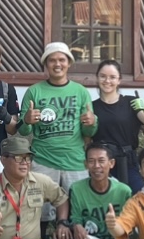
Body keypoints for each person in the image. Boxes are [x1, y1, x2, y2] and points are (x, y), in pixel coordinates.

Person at [17, 41, 98, 192]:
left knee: (75, 211)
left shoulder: (81, 92)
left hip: (75, 163)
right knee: (43, 213)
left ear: (69, 63)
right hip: (43, 162)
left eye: (62, 60)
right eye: (52, 60)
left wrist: (92, 123)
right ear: (46, 64)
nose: (57, 64)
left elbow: (89, 133)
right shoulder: (34, 91)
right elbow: (23, 131)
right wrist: (26, 120)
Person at [61, 141, 134, 239]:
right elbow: (75, 217)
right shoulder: (77, 188)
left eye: (101, 161)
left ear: (111, 163)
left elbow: (130, 227)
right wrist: (77, 226)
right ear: (85, 164)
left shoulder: (123, 191)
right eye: (91, 161)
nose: (97, 166)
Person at [90, 59, 144, 191]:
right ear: (97, 78)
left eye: (112, 77)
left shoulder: (130, 102)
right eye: (103, 76)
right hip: (102, 165)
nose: (107, 81)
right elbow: (87, 139)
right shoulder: (92, 106)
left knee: (137, 199)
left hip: (128, 162)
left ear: (119, 80)